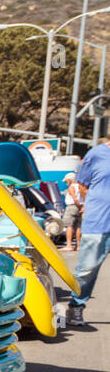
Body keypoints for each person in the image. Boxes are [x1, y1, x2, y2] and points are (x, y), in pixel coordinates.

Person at [68, 135, 110, 327]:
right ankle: (76, 306)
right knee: (87, 268)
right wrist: (93, 204)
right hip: (99, 220)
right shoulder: (96, 154)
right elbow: (82, 185)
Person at [61, 171, 83, 252]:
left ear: (70, 180)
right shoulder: (80, 186)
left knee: (69, 225)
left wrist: (77, 204)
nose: (66, 182)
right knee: (78, 226)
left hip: (72, 207)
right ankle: (78, 245)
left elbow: (74, 198)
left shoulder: (71, 187)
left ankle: (69, 245)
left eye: (66, 181)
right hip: (80, 207)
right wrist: (81, 206)